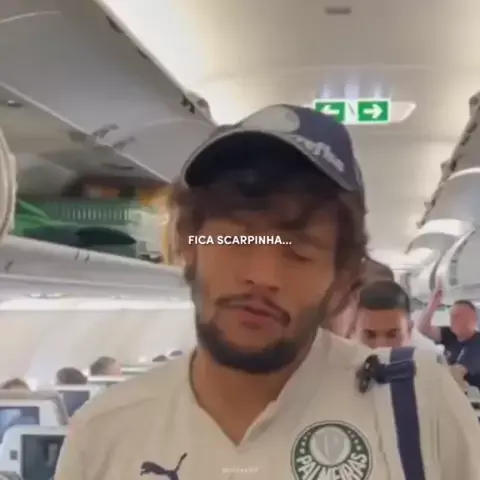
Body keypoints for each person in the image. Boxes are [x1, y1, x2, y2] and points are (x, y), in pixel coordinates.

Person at [54, 104, 480, 480]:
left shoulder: (421, 407)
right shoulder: (103, 435)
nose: (261, 275)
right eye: (236, 238)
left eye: (298, 252)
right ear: (188, 243)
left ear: (342, 281)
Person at [418, 287, 480, 387]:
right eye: (452, 316)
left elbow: (457, 372)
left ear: (473, 318)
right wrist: (433, 303)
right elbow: (423, 328)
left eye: (458, 316)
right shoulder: (450, 334)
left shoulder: (476, 343)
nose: (453, 320)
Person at [354, 280, 437, 351]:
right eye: (370, 335)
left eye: (392, 335)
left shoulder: (430, 361)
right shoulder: (346, 361)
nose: (380, 348)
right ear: (353, 332)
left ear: (409, 331)